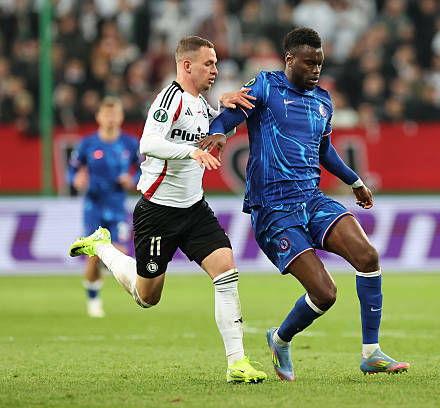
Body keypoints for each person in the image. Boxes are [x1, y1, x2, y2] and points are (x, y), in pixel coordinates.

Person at [205, 27, 409, 380]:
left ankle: (371, 353)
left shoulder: (323, 101)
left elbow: (325, 150)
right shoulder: (266, 85)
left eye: (320, 64)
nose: (316, 70)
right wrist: (220, 131)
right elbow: (230, 115)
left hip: (312, 199)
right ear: (289, 59)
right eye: (309, 63)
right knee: (325, 293)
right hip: (273, 209)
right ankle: (280, 339)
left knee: (368, 256)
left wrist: (355, 181)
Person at [69, 36, 267, 383]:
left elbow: (211, 127)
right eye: (209, 63)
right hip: (158, 212)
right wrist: (191, 152)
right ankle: (102, 247)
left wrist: (226, 109)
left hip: (194, 209)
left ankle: (237, 363)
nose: (215, 70)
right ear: (187, 65)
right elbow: (148, 142)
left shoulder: (201, 103)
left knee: (226, 271)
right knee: (147, 298)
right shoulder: (169, 99)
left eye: (216, 63)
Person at [67, 96, 141, 318]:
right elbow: (72, 169)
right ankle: (93, 299)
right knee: (93, 254)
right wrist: (75, 179)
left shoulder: (130, 143)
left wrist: (132, 180)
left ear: (121, 117)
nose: (111, 118)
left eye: (114, 114)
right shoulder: (88, 144)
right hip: (94, 206)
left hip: (117, 206)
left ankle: (100, 273)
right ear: (99, 116)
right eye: (107, 114)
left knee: (121, 253)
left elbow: (142, 169)